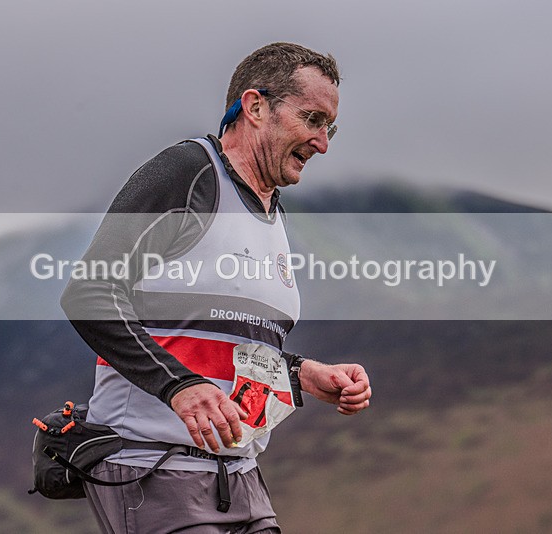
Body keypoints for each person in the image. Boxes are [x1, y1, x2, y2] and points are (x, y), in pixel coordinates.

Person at [61, 42, 372, 533]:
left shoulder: (272, 214)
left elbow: (230, 347)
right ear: (255, 107)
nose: (322, 143)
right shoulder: (189, 174)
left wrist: (303, 375)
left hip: (242, 476)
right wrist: (179, 386)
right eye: (312, 119)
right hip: (154, 468)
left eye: (329, 127)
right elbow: (89, 293)